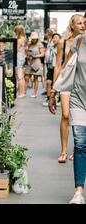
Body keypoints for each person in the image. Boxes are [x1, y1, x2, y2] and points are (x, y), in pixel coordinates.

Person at [49, 25, 86, 204]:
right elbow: (64, 66)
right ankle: (79, 191)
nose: (84, 24)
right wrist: (54, 91)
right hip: (79, 98)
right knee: (80, 143)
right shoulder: (79, 41)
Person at [53, 14, 86, 163]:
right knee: (66, 115)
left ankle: (76, 148)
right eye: (79, 23)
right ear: (72, 25)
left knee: (77, 118)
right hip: (67, 83)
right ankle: (64, 150)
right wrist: (54, 89)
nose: (82, 26)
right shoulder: (63, 43)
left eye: (83, 23)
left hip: (80, 84)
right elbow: (59, 66)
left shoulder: (83, 41)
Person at [24, 32, 45, 98]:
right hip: (29, 62)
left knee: (35, 78)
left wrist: (35, 56)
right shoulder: (29, 44)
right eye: (32, 39)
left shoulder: (40, 45)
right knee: (26, 77)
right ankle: (24, 92)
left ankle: (34, 93)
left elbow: (42, 54)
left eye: (35, 39)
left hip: (36, 62)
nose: (33, 40)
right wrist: (27, 55)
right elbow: (27, 52)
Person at [43, 33, 61, 106]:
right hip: (51, 67)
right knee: (48, 82)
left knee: (58, 83)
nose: (55, 39)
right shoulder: (50, 47)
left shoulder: (61, 47)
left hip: (59, 68)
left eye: (56, 38)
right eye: (54, 38)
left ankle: (59, 98)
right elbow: (47, 58)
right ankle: (48, 98)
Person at [14, 25, 27, 98]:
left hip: (19, 58)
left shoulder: (19, 40)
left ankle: (20, 93)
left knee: (20, 76)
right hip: (22, 58)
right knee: (22, 76)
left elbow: (16, 50)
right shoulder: (24, 39)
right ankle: (23, 92)